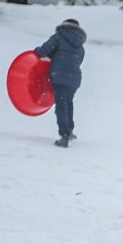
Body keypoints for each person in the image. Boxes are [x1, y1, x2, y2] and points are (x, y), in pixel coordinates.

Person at [34, 19, 86, 148]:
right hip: (74, 78)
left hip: (60, 76)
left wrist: (37, 51)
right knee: (68, 102)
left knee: (61, 105)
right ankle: (69, 130)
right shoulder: (80, 46)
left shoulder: (58, 37)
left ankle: (64, 135)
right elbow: (78, 61)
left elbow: (43, 51)